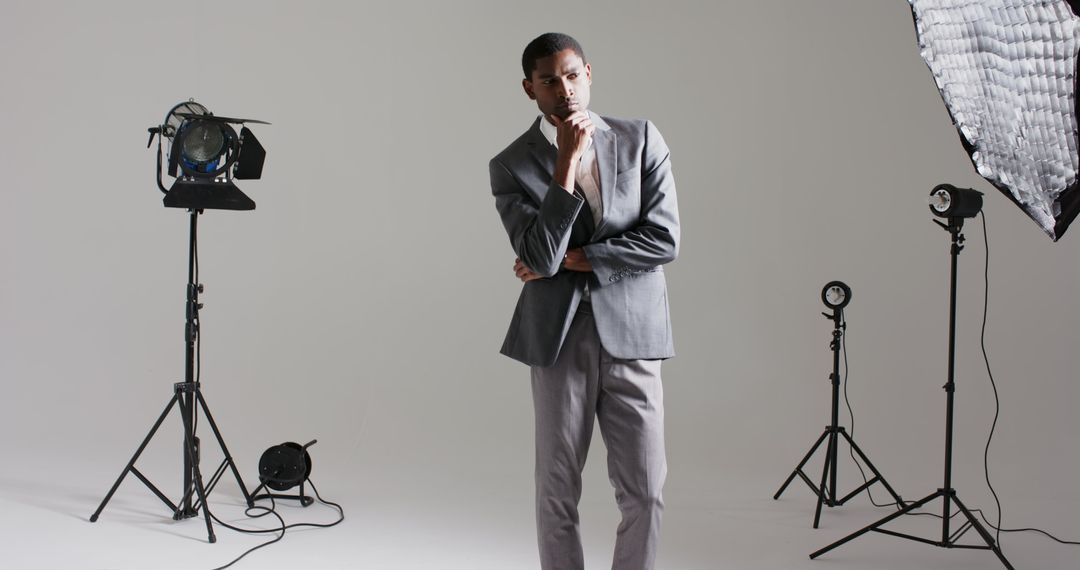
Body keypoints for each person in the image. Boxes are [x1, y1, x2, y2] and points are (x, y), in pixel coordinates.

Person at [489, 32, 681, 570]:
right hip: (559, 337)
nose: (564, 89)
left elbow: (664, 240)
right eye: (549, 80)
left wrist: (585, 258)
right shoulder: (508, 166)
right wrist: (566, 166)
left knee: (645, 490)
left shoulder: (641, 139)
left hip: (634, 335)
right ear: (530, 89)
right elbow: (542, 258)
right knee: (557, 492)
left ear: (589, 73)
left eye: (572, 75)